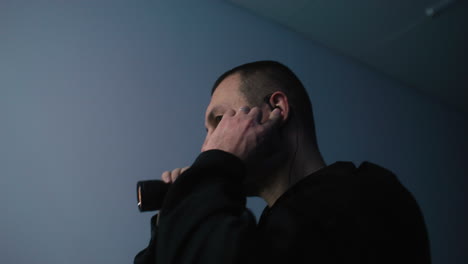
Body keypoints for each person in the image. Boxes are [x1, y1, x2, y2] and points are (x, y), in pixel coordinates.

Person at [134, 61, 431, 264]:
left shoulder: (367, 194)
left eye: (220, 121)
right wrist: (170, 220)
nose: (208, 144)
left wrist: (207, 178)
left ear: (276, 108)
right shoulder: (269, 229)